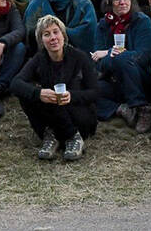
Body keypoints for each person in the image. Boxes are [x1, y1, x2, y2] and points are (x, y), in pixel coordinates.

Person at [11, 15, 98, 161]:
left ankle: (73, 137)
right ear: (41, 40)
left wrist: (72, 95)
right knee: (27, 93)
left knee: (59, 99)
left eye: (56, 32)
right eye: (47, 34)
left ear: (63, 35)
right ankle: (50, 136)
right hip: (52, 114)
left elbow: (95, 92)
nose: (53, 38)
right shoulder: (39, 58)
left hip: (78, 115)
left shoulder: (79, 57)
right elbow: (15, 83)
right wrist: (38, 93)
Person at [91, 0, 151, 132]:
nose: (122, 2)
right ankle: (121, 109)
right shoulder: (103, 25)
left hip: (140, 80)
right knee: (86, 89)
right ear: (109, 1)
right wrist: (110, 54)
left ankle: (142, 108)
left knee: (122, 59)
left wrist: (113, 54)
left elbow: (146, 55)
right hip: (114, 80)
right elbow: (98, 62)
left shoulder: (142, 21)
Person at [24, 0, 97, 53]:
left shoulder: (83, 3)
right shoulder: (36, 5)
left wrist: (61, 32)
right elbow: (30, 33)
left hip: (79, 54)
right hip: (45, 54)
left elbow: (89, 31)